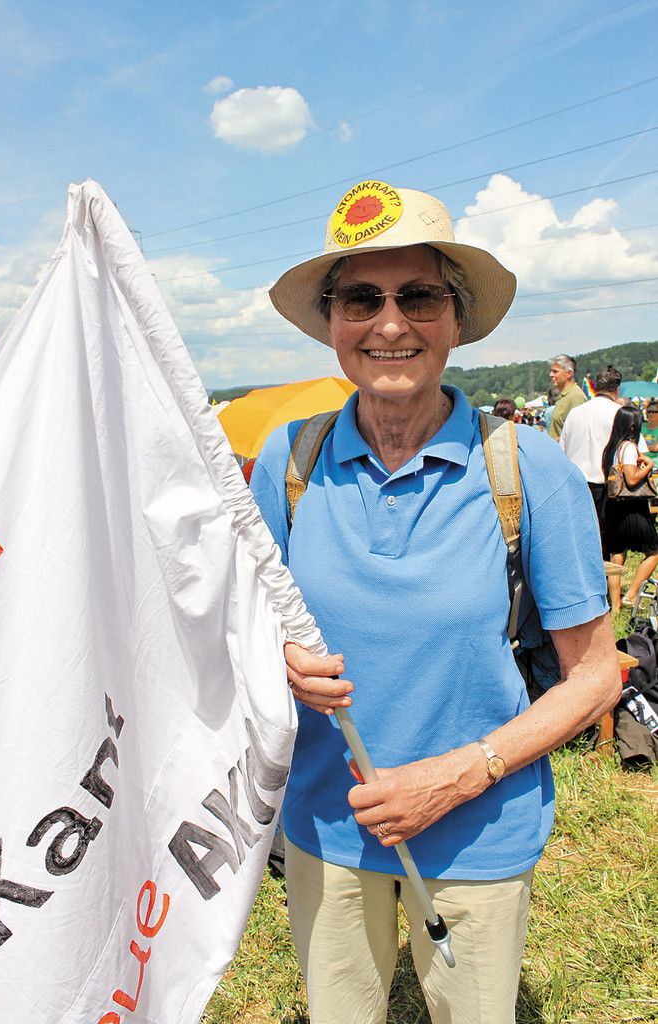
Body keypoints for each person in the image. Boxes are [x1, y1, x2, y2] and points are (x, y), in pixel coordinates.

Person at [251, 180, 620, 1024]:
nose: (389, 324)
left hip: (475, 833)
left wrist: (459, 776)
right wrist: (276, 659)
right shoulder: (288, 459)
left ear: (455, 320)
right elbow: (243, 624)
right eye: (360, 299)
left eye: (418, 296)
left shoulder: (529, 470)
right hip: (324, 824)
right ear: (333, 323)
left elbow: (595, 675)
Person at [559, 365, 623, 549]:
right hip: (607, 486)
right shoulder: (619, 413)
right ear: (617, 389)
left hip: (576, 483)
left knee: (581, 542)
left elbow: (562, 450)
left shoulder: (575, 413)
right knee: (605, 544)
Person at [602, 405, 658, 613]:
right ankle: (632, 593)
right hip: (632, 508)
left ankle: (615, 606)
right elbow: (632, 478)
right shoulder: (628, 448)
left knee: (617, 554)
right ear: (634, 426)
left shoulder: (612, 448)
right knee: (654, 551)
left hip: (615, 507)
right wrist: (649, 467)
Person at [547, 355, 586, 440]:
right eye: (551, 371)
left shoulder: (576, 396)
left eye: (555, 371)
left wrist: (556, 441)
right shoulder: (564, 395)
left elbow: (578, 433)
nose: (551, 375)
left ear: (569, 373)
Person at [641, 399, 658, 469]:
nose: (650, 414)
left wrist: (640, 448)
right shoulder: (641, 426)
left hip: (656, 465)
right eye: (649, 411)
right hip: (641, 463)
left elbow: (655, 448)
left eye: (654, 412)